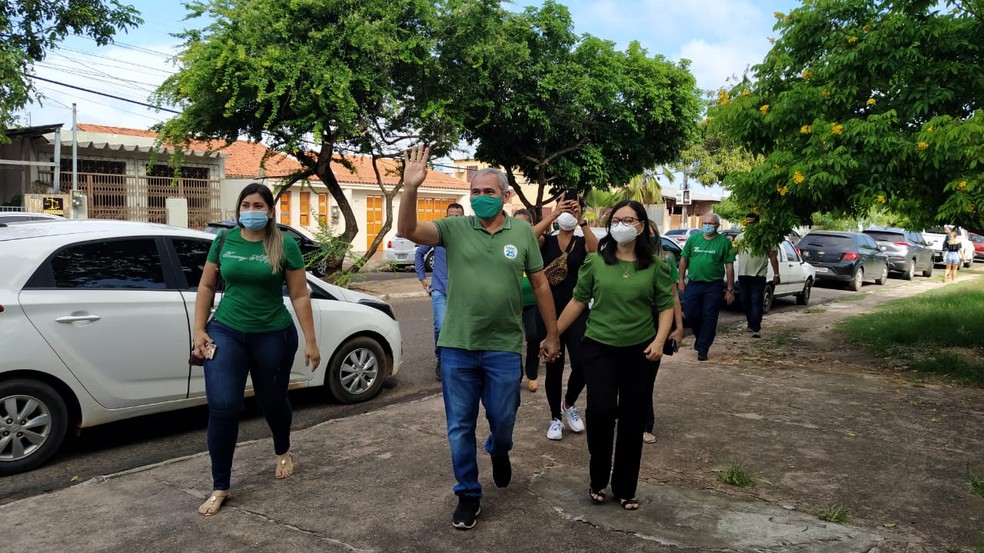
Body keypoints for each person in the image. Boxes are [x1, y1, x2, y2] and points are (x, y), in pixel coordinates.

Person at [398, 145, 561, 530]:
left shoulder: (521, 231)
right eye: (475, 192)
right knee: (459, 425)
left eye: (489, 192)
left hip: (504, 346)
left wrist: (552, 333)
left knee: (503, 419)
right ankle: (469, 493)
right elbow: (407, 230)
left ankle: (499, 449)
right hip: (458, 345)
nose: (481, 197)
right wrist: (410, 189)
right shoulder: (453, 229)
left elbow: (539, 283)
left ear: (505, 196)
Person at [192, 182, 321, 517]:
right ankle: (221, 486)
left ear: (270, 211)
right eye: (246, 205)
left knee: (272, 400)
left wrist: (310, 340)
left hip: (273, 334)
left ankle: (283, 449)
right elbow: (206, 285)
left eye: (259, 206)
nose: (251, 211)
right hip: (226, 332)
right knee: (223, 407)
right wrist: (199, 329)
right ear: (239, 209)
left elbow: (300, 295)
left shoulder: (285, 244)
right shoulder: (223, 241)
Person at [551, 200, 675, 511]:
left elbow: (665, 307)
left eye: (629, 220)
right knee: (601, 412)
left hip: (641, 351)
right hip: (599, 347)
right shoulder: (596, 263)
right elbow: (578, 302)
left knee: (633, 420)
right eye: (616, 219)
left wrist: (660, 341)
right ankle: (598, 479)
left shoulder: (657, 266)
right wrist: (552, 334)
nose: (621, 225)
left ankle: (625, 488)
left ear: (642, 226)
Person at [530, 196, 598, 440]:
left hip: (577, 310)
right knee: (553, 365)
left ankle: (568, 404)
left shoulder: (581, 242)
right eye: (565, 206)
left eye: (573, 206)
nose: (569, 210)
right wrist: (552, 215)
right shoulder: (544, 241)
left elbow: (596, 250)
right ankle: (555, 418)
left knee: (582, 363)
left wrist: (583, 222)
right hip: (547, 312)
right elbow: (526, 237)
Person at [415, 202, 465, 380]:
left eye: (458, 216)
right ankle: (441, 358)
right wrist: (422, 278)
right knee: (441, 325)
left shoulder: (467, 238)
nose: (454, 219)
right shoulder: (438, 235)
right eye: (451, 216)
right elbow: (419, 253)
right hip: (439, 289)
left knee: (460, 327)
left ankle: (457, 360)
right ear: (446, 217)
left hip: (461, 291)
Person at [644, 223, 684, 445]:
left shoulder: (665, 261)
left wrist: (678, 329)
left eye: (651, 235)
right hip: (632, 325)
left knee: (646, 378)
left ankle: (646, 424)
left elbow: (673, 297)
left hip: (657, 324)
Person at [678, 213, 736, 361]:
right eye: (705, 223)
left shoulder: (724, 242)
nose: (707, 226)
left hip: (713, 285)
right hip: (694, 283)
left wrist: (730, 289)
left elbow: (729, 266)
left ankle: (703, 348)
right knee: (690, 313)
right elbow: (684, 259)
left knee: (709, 316)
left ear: (717, 226)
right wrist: (681, 280)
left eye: (711, 223)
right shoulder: (693, 239)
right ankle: (701, 338)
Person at [735, 213, 780, 338]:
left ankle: (756, 328)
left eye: (752, 222)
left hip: (759, 275)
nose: (749, 225)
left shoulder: (765, 238)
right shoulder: (740, 238)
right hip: (743, 274)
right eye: (747, 222)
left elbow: (772, 257)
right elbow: (732, 253)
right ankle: (750, 323)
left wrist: (776, 274)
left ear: (757, 223)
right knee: (744, 300)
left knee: (756, 301)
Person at [513, 209, 541, 392]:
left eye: (523, 224)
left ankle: (532, 375)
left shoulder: (537, 242)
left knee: (533, 337)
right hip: (512, 301)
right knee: (512, 339)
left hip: (532, 302)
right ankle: (516, 374)